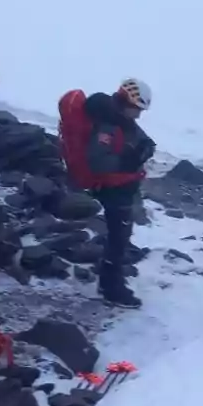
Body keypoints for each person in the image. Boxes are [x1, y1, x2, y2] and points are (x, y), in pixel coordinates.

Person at [85, 78, 156, 309]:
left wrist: (145, 146)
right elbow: (98, 161)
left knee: (120, 237)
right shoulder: (108, 125)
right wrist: (129, 160)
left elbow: (135, 134)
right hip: (113, 189)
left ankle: (110, 281)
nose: (138, 115)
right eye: (137, 109)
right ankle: (111, 287)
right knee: (118, 239)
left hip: (121, 188)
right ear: (127, 101)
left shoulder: (119, 119)